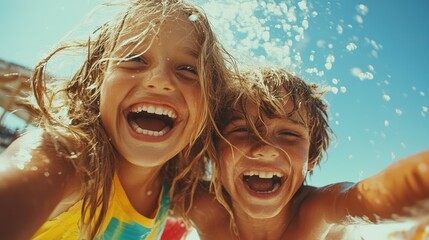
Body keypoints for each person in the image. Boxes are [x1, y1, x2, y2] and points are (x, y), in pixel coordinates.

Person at [0, 0, 235, 239]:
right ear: (97, 78)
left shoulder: (176, 192)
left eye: (188, 69)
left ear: (210, 103)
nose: (160, 79)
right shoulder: (68, 160)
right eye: (135, 58)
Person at [187, 67, 429, 239]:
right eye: (242, 130)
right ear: (215, 150)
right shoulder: (201, 204)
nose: (265, 148)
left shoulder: (317, 210)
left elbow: (367, 198)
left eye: (289, 135)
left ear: (310, 159)